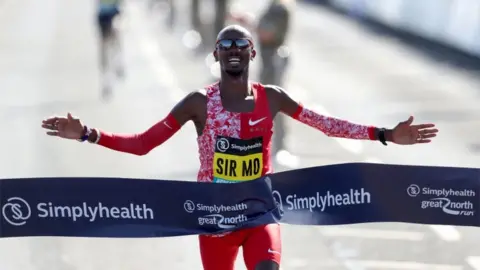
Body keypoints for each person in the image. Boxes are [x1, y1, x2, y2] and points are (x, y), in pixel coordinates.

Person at [41, 25, 439, 270]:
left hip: (259, 213)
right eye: (225, 44)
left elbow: (326, 124)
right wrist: (88, 133)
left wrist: (385, 135)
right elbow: (144, 144)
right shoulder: (198, 103)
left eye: (240, 44)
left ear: (251, 53)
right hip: (214, 220)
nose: (233, 49)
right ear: (216, 55)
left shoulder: (273, 97)